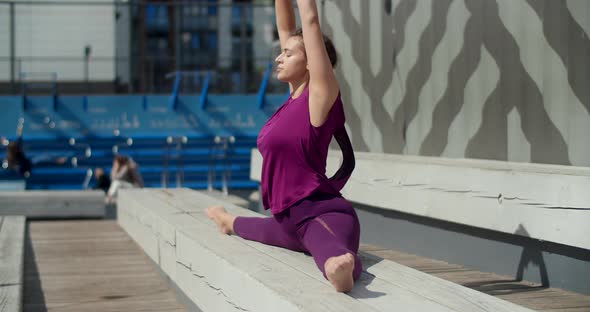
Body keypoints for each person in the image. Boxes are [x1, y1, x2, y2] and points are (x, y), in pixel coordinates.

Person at [206, 0, 359, 292]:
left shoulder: (319, 97)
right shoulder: (292, 99)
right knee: (251, 227)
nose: (278, 58)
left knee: (329, 248)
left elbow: (310, 20)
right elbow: (287, 26)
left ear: (311, 63)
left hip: (320, 213)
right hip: (287, 221)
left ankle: (339, 271)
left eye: (287, 54)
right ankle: (226, 220)